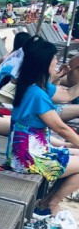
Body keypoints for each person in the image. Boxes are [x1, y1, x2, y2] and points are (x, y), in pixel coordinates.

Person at [7, 39, 79, 216]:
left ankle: (47, 202)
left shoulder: (34, 85)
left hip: (30, 151)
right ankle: (49, 204)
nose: (56, 61)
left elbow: (67, 94)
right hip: (28, 159)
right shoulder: (36, 94)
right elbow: (61, 129)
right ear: (43, 63)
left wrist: (61, 74)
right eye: (54, 58)